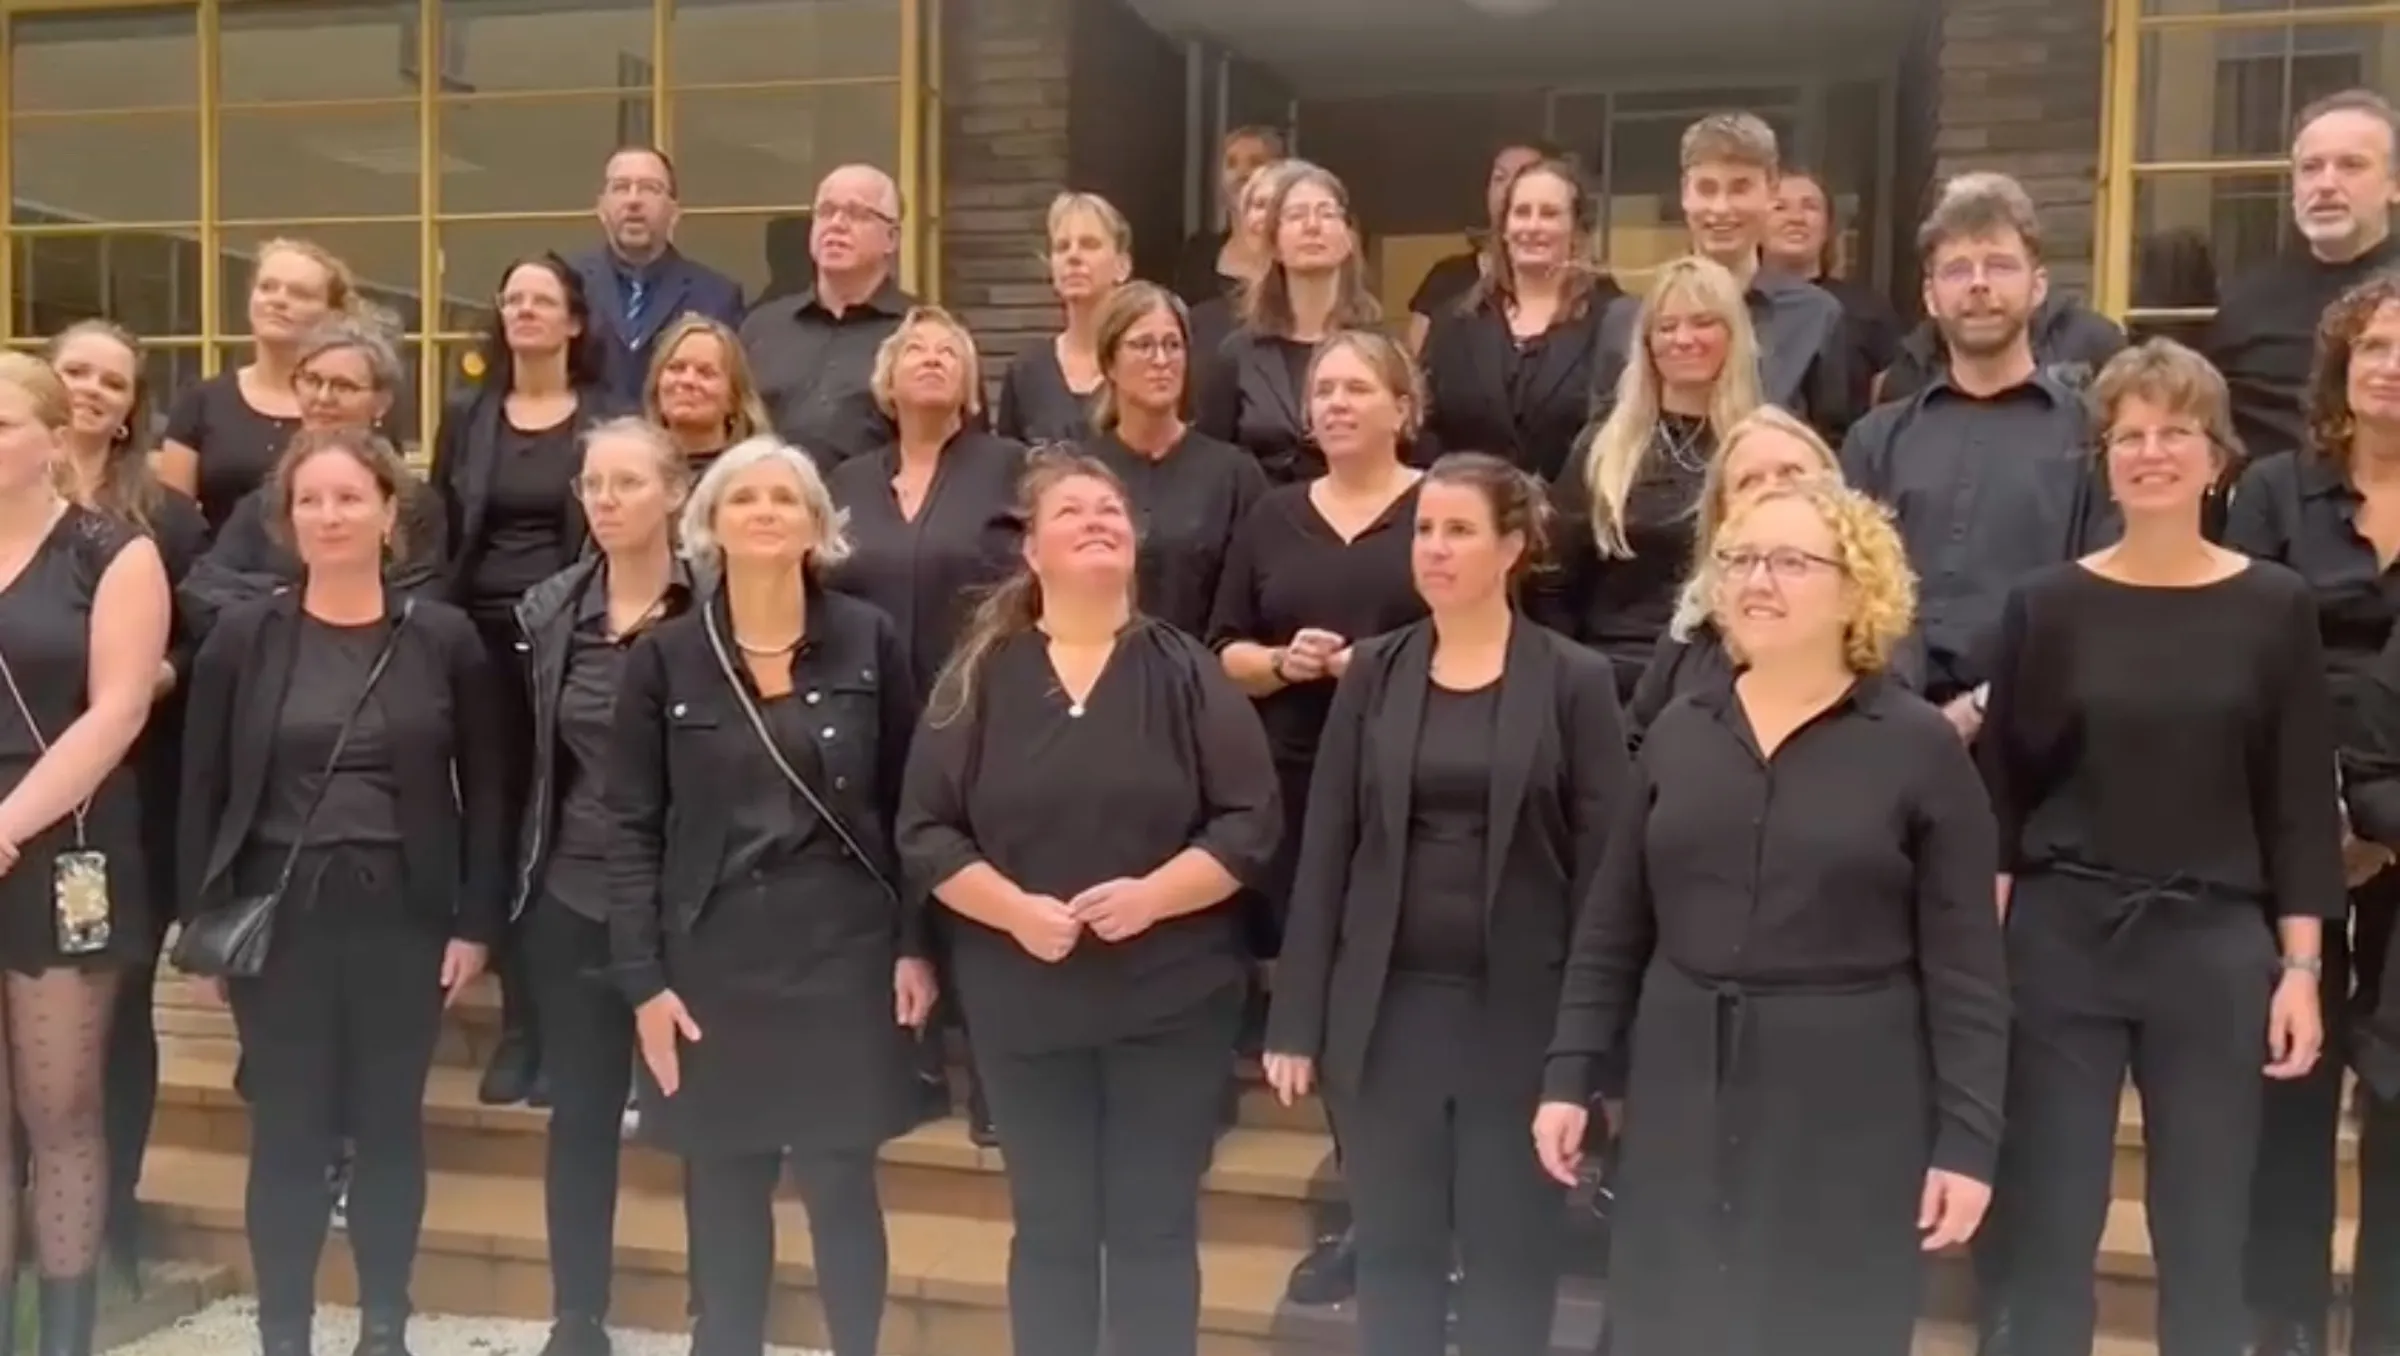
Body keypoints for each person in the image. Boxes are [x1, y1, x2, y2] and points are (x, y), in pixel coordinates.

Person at [1534, 477, 2006, 1356]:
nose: (1758, 580)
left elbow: (1969, 968)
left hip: (1850, 1108)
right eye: (1741, 560)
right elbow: (1612, 928)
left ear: (1858, 588)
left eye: (1790, 561)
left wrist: (1969, 1143)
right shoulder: (1679, 729)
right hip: (1682, 1094)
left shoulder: (1919, 747)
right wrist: (1570, 1074)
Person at [1979, 340, 2342, 1356]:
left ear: (2217, 455)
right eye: (2128, 436)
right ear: (2104, 458)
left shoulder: (2274, 606)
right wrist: (1986, 958)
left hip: (2214, 943)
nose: (2150, 453)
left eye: (2174, 432)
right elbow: (2004, 795)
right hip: (2063, 939)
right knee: (2052, 1218)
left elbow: (2299, 801)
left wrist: (2301, 968)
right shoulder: (2045, 605)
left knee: (2204, 1225)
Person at [897, 449, 1280, 1356]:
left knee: (1153, 1228)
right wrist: (1016, 911)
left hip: (1170, 1001)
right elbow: (926, 831)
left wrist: (1154, 896)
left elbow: (1250, 824)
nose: (1100, 520)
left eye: (1112, 510)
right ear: (1032, 550)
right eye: (1072, 512)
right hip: (1023, 1001)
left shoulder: (1189, 672)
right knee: (1053, 1229)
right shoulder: (979, 677)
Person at [1263, 452, 1628, 1356]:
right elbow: (1328, 853)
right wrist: (1297, 1017)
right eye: (1424, 529)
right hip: (1388, 1018)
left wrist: (1591, 1053)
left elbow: (1609, 876)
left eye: (1459, 530)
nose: (1434, 548)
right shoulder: (1376, 672)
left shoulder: (1574, 681)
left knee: (1512, 1261)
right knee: (1394, 1256)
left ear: (1512, 547)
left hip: (1521, 1017)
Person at [178, 427, 499, 1356]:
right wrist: (201, 926)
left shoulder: (441, 636)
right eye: (311, 500)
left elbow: (488, 788)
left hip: (404, 913)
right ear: (287, 518)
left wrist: (476, 921)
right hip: (280, 921)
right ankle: (285, 1331)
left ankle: (385, 1326)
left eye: (351, 498)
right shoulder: (244, 638)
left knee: (389, 1126)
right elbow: (201, 786)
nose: (331, 515)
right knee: (288, 1132)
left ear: (390, 514)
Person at [608, 436, 931, 1356]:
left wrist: (917, 944)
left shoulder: (870, 637)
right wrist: (643, 981)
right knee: (724, 1186)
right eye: (741, 498)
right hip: (714, 955)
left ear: (815, 528)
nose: (762, 512)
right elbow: (627, 828)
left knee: (840, 1182)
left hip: (845, 950)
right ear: (708, 523)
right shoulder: (664, 659)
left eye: (784, 500)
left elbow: (915, 806)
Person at [2222, 271, 2400, 1355]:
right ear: (2341, 367)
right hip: (2297, 816)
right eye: (2375, 346)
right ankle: (2278, 1320)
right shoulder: (2281, 491)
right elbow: (2248, 656)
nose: (2392, 365)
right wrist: (2325, 809)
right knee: (2291, 1085)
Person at [510, 418, 695, 1356]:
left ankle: (719, 1309)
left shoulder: (718, 605)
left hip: (692, 901)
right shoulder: (551, 612)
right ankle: (577, 1314)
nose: (608, 500)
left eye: (629, 482)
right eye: (594, 485)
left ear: (673, 492)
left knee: (705, 1117)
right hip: (574, 893)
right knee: (579, 1113)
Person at [0, 354, 171, 1356]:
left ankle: (63, 1337)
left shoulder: (112, 554)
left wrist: (11, 819)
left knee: (58, 1106)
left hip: (66, 837)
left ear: (55, 438)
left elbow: (116, 710)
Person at [426, 252, 620, 1110]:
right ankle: (519, 1027)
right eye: (513, 300)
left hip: (571, 638)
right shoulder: (469, 417)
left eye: (544, 301)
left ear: (576, 321)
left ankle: (568, 1026)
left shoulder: (608, 417)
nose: (526, 312)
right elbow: (440, 523)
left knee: (559, 827)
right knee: (498, 821)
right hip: (477, 638)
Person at [40, 322, 209, 1278]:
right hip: (15, 785)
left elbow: (202, 638)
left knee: (116, 1011)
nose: (93, 391)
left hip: (119, 804)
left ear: (133, 404)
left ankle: (115, 1210)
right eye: (75, 372)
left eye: (112, 380)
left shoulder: (166, 517)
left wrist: (156, 677)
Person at [1538, 255, 1763, 699]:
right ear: (1646, 342)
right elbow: (1551, 583)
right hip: (1612, 679)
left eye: (1702, 323)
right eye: (1666, 326)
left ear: (1734, 334)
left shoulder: (1764, 447)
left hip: (1729, 679)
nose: (1683, 339)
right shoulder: (1603, 449)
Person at [1084, 283, 1267, 638]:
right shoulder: (1082, 473)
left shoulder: (1234, 475)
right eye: (1143, 346)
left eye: (1172, 345)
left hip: (1204, 678)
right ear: (1109, 363)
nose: (1161, 361)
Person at [1420, 155, 1615, 481]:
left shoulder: (1613, 321)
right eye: (1522, 213)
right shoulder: (1453, 322)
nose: (1533, 226)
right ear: (1505, 228)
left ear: (1576, 229)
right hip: (1471, 517)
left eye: (1550, 214)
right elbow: (1426, 428)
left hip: (1572, 521)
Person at [1196, 161, 1387, 484]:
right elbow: (1212, 465)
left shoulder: (1383, 352)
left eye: (1326, 214)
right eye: (1296, 216)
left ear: (1348, 238)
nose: (1312, 227)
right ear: (1274, 242)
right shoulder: (1237, 354)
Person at [158, 239, 353, 532]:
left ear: (332, 315)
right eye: (267, 287)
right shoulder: (201, 400)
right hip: (216, 572)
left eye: (299, 293)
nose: (278, 300)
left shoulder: (352, 402)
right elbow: (173, 524)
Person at [743, 165, 918, 469]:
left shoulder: (920, 332)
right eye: (826, 211)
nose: (836, 224)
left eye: (857, 214)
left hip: (879, 509)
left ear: (892, 238)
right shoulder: (761, 328)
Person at [570, 146, 746, 408]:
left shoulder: (718, 296)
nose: (633, 201)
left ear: (674, 211)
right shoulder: (568, 286)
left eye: (649, 188)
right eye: (620, 187)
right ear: (600, 207)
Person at [996, 192, 1133, 444]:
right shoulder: (1026, 371)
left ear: (1122, 266)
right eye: (1062, 247)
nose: (1073, 256)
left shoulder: (1142, 361)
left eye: (1089, 244)